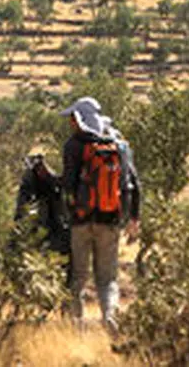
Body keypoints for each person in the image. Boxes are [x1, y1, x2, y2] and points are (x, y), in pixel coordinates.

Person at [59, 97, 140, 334]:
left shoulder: (73, 145)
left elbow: (68, 185)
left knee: (78, 277)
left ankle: (77, 326)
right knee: (107, 279)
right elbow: (134, 183)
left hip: (81, 221)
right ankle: (110, 317)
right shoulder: (119, 145)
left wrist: (68, 212)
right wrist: (134, 217)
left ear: (79, 119)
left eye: (72, 118)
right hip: (111, 219)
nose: (70, 123)